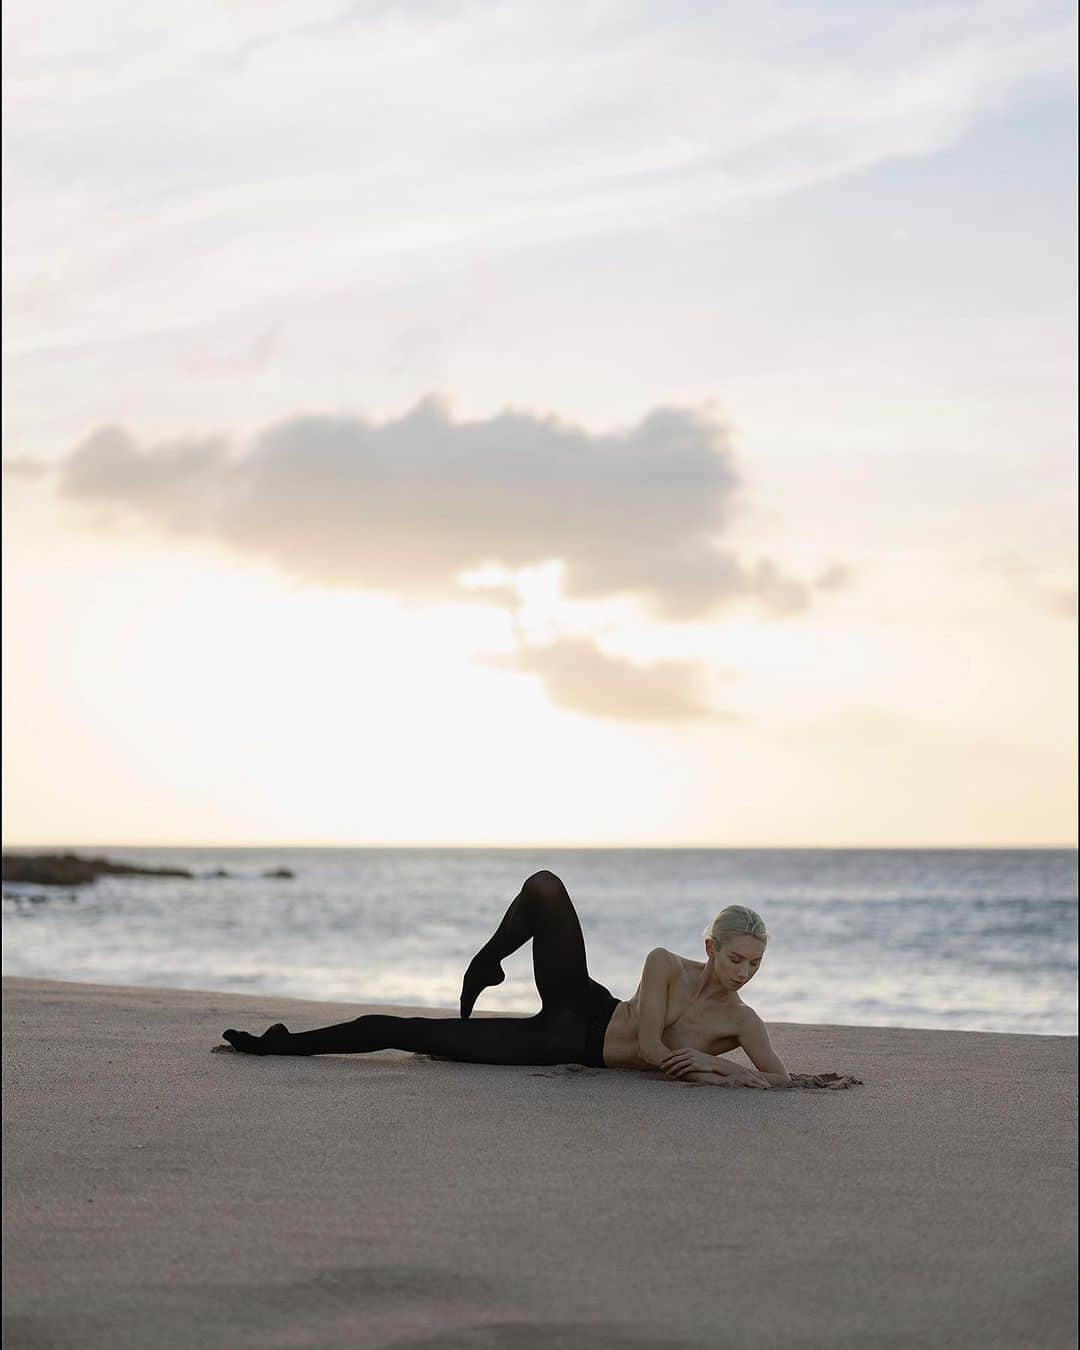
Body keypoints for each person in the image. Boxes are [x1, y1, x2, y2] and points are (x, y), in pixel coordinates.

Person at [222, 869, 790, 1088]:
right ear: (711, 948)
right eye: (737, 959)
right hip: (587, 1005)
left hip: (564, 1044)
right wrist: (718, 1071)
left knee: (413, 1033)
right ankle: (487, 961)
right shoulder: (665, 963)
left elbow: (782, 1080)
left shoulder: (741, 1023)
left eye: (756, 965)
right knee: (545, 886)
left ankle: (284, 1044)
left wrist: (718, 1065)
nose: (744, 974)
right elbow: (647, 1048)